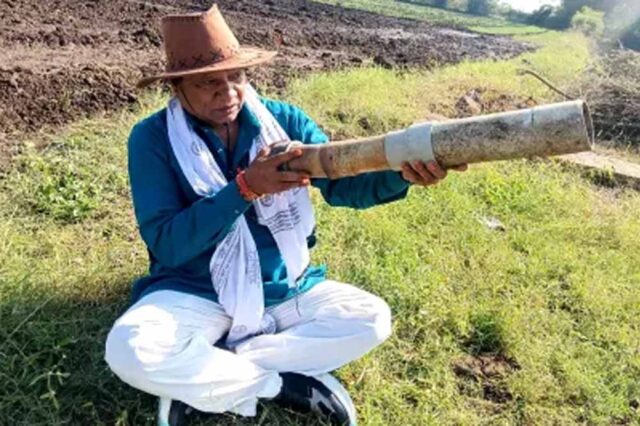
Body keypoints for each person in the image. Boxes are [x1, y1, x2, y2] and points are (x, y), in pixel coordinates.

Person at [104, 4, 466, 426]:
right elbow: (168, 242)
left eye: (236, 77)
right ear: (177, 88)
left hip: (286, 287)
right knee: (130, 349)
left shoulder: (284, 120)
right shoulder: (151, 138)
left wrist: (403, 173)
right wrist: (244, 189)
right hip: (195, 290)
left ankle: (208, 373)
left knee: (371, 319)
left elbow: (343, 186)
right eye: (208, 83)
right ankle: (277, 385)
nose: (229, 94)